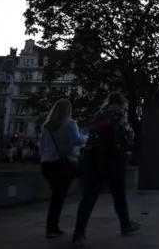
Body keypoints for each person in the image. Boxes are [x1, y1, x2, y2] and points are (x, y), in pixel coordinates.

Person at [72, 92, 140, 246]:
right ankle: (125, 225)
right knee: (119, 197)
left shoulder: (99, 114)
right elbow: (128, 135)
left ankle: (79, 233)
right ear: (122, 102)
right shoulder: (119, 115)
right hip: (113, 160)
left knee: (88, 198)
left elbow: (91, 133)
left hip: (93, 160)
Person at [39, 99, 88, 238]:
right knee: (59, 196)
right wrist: (86, 138)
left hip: (47, 164)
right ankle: (52, 227)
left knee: (56, 196)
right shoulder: (70, 124)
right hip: (62, 164)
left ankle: (52, 226)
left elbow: (42, 146)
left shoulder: (46, 126)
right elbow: (76, 141)